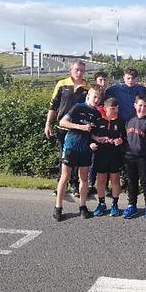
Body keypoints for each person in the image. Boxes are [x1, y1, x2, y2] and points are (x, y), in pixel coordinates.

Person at [52, 87, 102, 222]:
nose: (97, 100)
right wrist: (81, 127)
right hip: (71, 146)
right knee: (65, 177)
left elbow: (92, 133)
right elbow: (62, 122)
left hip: (85, 149)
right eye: (95, 97)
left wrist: (97, 139)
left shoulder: (97, 113)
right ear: (88, 96)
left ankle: (83, 206)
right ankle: (58, 207)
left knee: (84, 178)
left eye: (99, 98)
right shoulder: (78, 107)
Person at [44, 59, 90, 197]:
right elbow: (53, 105)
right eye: (77, 69)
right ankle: (61, 185)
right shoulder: (62, 84)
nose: (79, 72)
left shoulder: (88, 87)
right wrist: (48, 124)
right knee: (64, 157)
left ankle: (75, 185)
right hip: (63, 128)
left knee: (77, 157)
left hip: (79, 129)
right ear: (71, 70)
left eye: (82, 70)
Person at [122, 95, 146, 220]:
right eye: (140, 105)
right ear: (135, 105)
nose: (142, 108)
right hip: (129, 156)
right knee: (131, 182)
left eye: (145, 106)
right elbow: (123, 137)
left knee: (145, 182)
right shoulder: (128, 119)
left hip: (145, 157)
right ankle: (132, 205)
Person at [91, 97, 124, 217]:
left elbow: (125, 137)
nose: (115, 110)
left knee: (115, 179)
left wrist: (121, 140)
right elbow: (91, 135)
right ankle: (101, 203)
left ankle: (115, 204)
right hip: (101, 154)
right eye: (112, 108)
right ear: (105, 109)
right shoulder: (98, 121)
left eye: (116, 108)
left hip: (115, 154)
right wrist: (93, 142)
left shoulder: (121, 122)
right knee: (101, 180)